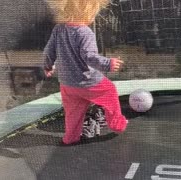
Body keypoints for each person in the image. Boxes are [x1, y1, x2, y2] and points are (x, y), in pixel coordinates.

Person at [43, 0, 128, 145]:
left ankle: (70, 138)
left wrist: (48, 66)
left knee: (72, 114)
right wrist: (108, 64)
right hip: (88, 82)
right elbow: (89, 57)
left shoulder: (59, 29)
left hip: (67, 84)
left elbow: (48, 51)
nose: (94, 17)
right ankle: (117, 125)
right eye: (93, 13)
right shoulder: (85, 32)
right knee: (110, 91)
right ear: (85, 12)